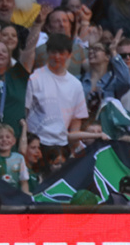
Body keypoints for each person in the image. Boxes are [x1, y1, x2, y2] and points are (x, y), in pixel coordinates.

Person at [24, 33, 88, 165]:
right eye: (53, 52)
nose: (57, 57)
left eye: (62, 53)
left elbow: (76, 120)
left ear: (69, 54)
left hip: (62, 146)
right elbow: (25, 112)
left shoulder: (76, 85)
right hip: (37, 144)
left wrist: (73, 147)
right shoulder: (35, 77)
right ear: (47, 53)